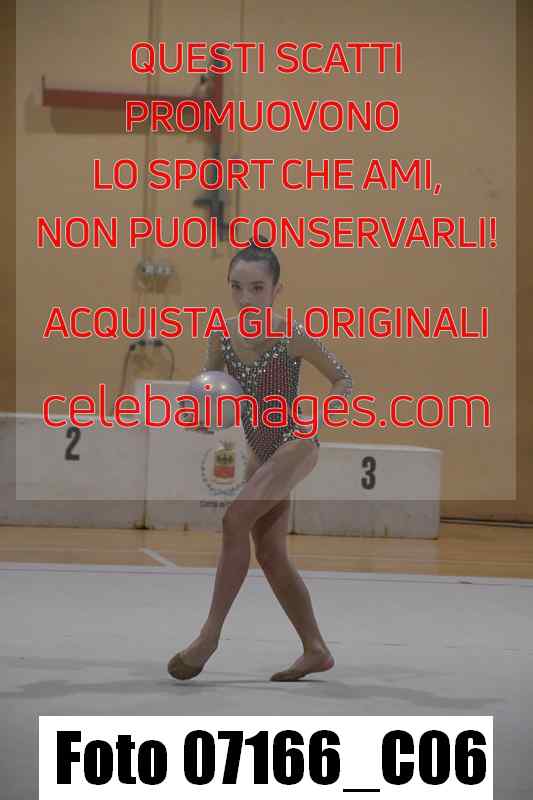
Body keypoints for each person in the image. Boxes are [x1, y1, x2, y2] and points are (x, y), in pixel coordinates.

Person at [168, 238, 353, 681]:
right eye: (237, 287)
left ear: (276, 290)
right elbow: (212, 394)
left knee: (235, 520)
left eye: (256, 288)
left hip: (295, 443)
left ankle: (208, 638)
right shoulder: (221, 336)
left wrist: (320, 417)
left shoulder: (293, 335)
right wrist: (201, 418)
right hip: (260, 452)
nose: (245, 298)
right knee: (270, 554)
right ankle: (315, 648)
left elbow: (343, 380)